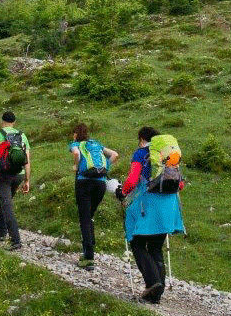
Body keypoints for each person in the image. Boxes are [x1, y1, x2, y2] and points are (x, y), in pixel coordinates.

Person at [117, 126, 185, 304]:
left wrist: (122, 192)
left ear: (141, 139)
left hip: (149, 203)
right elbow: (180, 184)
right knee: (156, 246)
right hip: (169, 205)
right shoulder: (167, 155)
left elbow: (132, 180)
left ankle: (153, 282)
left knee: (138, 243)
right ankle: (156, 293)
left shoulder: (141, 153)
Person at [69, 124, 119, 271]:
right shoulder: (96, 144)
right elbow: (115, 154)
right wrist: (105, 168)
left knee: (84, 217)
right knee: (90, 215)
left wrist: (76, 166)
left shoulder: (76, 144)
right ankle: (90, 247)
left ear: (76, 134)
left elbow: (77, 154)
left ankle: (89, 256)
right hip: (100, 184)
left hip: (84, 182)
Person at [0, 111, 30, 251]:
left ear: (2, 121)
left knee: (7, 205)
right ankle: (1, 230)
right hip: (19, 174)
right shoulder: (22, 135)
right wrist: (27, 180)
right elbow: (27, 160)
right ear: (14, 122)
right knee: (6, 201)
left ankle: (15, 240)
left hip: (3, 175)